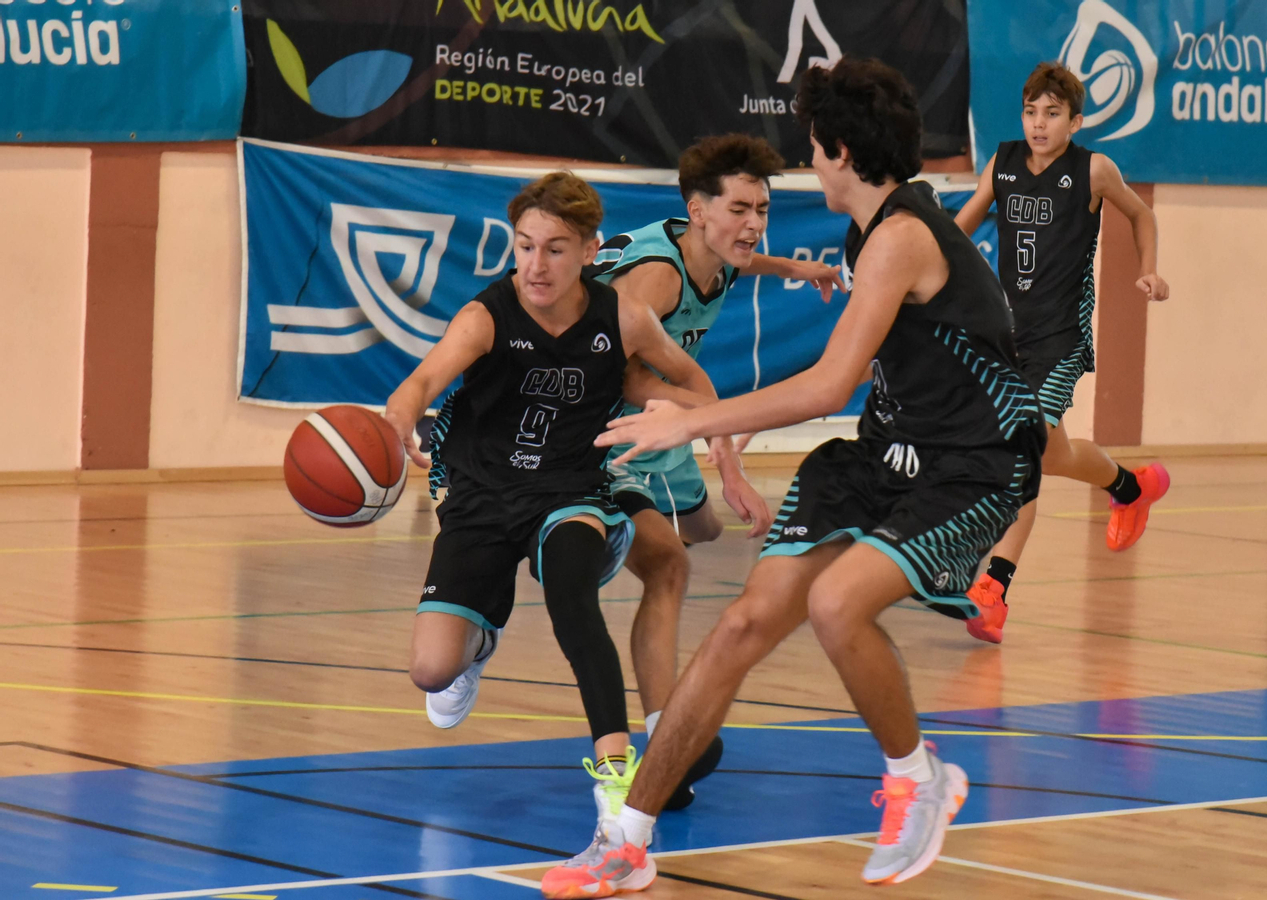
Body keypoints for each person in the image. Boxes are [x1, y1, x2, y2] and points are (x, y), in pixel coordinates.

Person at [540, 56, 1046, 898]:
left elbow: (826, 385)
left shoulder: (903, 236)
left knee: (835, 602)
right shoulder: (870, 231)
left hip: (967, 471)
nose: (809, 162)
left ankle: (919, 780)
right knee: (743, 625)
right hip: (884, 455)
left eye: (814, 146)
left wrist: (693, 421)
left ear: (840, 151)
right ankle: (628, 840)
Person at [381, 172, 722, 851]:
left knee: (572, 592)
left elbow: (696, 384)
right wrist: (397, 425)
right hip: (478, 493)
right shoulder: (486, 316)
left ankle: (615, 771)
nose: (536, 265)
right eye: (525, 246)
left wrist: (687, 420)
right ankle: (480, 637)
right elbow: (420, 382)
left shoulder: (621, 316)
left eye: (556, 249)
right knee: (431, 672)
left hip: (571, 489)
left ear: (591, 250)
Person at [589, 133, 844, 806]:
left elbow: (750, 261)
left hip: (660, 416)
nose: (753, 222)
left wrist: (804, 268)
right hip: (601, 420)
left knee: (701, 530)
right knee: (669, 563)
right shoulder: (661, 275)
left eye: (761, 207)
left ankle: (604, 540)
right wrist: (720, 451)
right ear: (697, 210)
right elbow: (618, 373)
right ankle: (662, 737)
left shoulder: (716, 249)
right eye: (739, 209)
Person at [952, 62, 1171, 643]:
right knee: (1051, 454)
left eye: (1052, 114)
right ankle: (1130, 486)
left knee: (1025, 452)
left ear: (1075, 121)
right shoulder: (1001, 164)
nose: (1039, 124)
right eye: (1031, 112)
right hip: (1006, 334)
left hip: (1062, 340)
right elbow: (957, 232)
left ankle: (993, 589)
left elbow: (1141, 213)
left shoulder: (1093, 170)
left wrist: (1148, 270)